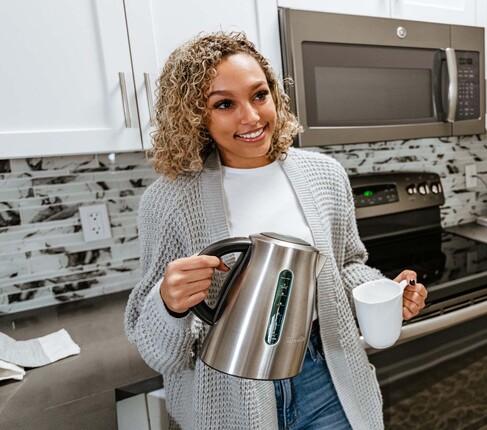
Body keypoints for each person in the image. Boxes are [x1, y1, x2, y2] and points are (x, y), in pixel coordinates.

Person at [124, 31, 427, 430]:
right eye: (225, 104)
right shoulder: (170, 200)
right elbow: (159, 353)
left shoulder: (324, 176)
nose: (250, 116)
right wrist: (169, 303)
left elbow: (347, 265)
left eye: (259, 95)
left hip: (327, 380)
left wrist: (385, 293)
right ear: (196, 115)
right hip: (227, 397)